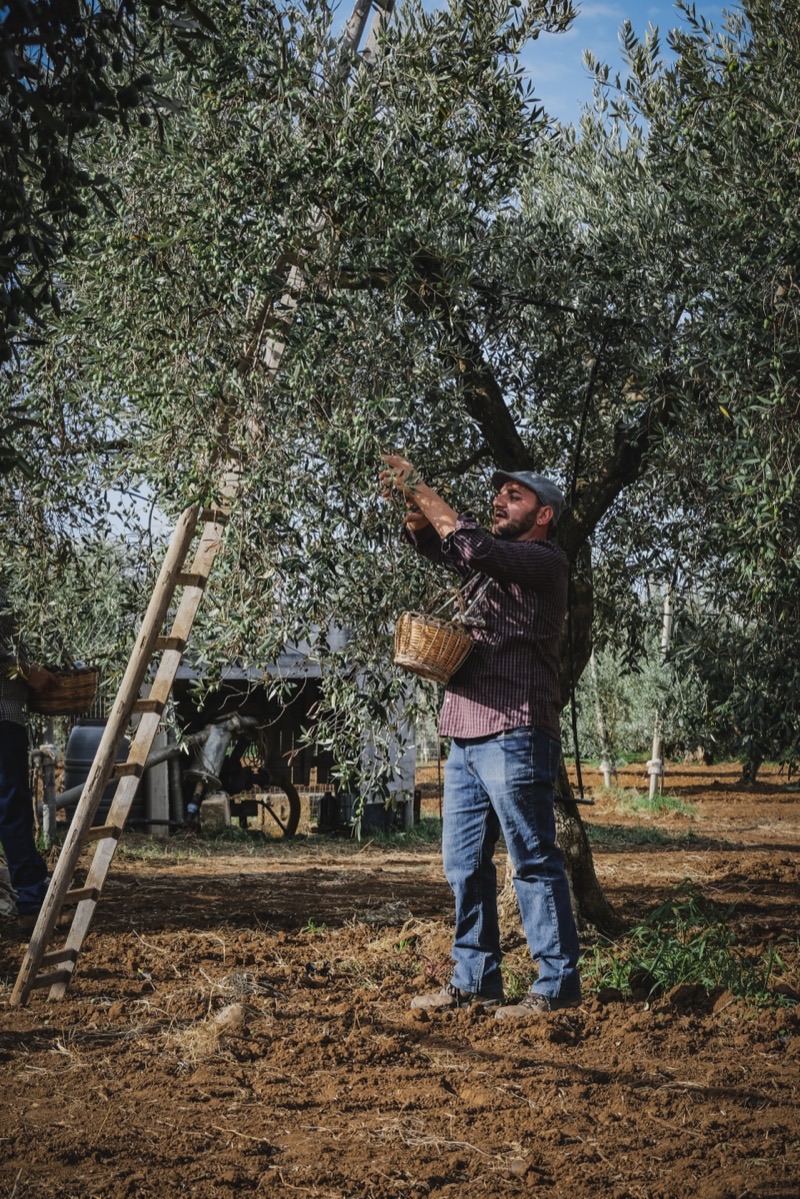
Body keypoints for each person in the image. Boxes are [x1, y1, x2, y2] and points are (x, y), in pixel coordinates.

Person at [380, 453, 581, 1019]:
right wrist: (414, 512)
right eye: (500, 494)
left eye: (513, 497)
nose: (499, 501)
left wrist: (421, 484)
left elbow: (473, 547)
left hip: (516, 729)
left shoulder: (545, 562)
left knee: (533, 860)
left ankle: (557, 987)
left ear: (542, 514)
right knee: (462, 865)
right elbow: (443, 547)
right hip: (464, 731)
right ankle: (474, 981)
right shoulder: (494, 568)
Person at [0, 585, 54, 927]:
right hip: (2, 717)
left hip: (9, 715)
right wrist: (32, 673)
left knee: (14, 801)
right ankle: (31, 893)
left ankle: (35, 882)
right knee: (11, 802)